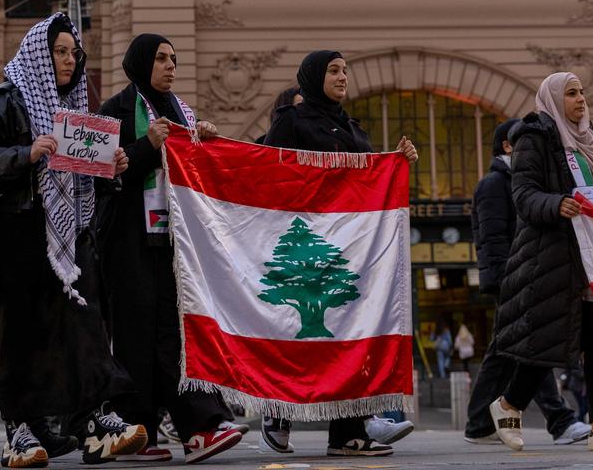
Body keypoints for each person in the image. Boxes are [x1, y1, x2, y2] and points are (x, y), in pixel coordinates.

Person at [0, 14, 148, 467]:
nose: (68, 60)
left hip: (70, 241)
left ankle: (94, 421)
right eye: (59, 52)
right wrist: (25, 153)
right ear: (40, 57)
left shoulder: (78, 112)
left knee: (81, 330)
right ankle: (20, 430)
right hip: (18, 235)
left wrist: (114, 168)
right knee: (17, 333)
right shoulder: (3, 101)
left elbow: (85, 181)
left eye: (72, 52)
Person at [488, 72, 593, 452]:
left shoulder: (588, 139)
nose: (580, 99)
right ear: (552, 99)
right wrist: (556, 204)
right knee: (548, 341)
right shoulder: (533, 138)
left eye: (582, 92)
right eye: (571, 93)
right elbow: (524, 195)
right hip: (555, 257)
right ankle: (507, 405)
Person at [259, 50, 419, 457]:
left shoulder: (352, 126)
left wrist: (397, 162)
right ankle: (278, 411)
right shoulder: (292, 122)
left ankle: (349, 433)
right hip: (304, 248)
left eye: (345, 70)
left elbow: (365, 180)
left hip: (348, 252)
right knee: (297, 335)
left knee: (349, 336)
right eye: (333, 70)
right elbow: (270, 174)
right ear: (313, 77)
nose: (343, 76)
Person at [96, 33, 243, 464]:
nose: (171, 66)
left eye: (174, 60)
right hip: (127, 244)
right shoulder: (116, 111)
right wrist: (146, 146)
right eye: (161, 58)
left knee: (179, 334)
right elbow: (100, 179)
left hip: (175, 245)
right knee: (135, 339)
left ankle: (201, 426)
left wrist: (204, 143)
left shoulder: (182, 113)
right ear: (142, 62)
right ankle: (139, 431)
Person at [464, 120, 590, 446]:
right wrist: (507, 277)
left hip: (521, 274)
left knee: (505, 351)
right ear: (508, 146)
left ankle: (479, 423)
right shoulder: (494, 184)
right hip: (512, 276)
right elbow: (493, 238)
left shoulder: (515, 178)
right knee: (535, 343)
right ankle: (560, 420)